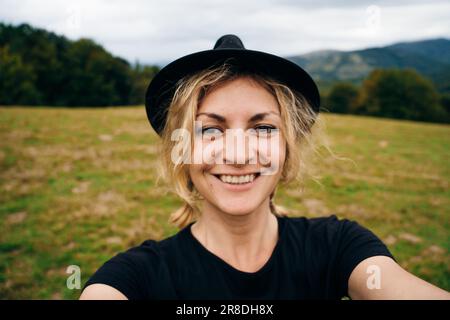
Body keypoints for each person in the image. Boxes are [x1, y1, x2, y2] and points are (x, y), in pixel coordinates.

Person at [80, 35, 449, 300]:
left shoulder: (338, 248)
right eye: (210, 129)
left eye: (263, 128)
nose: (239, 155)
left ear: (287, 147)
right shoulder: (136, 279)